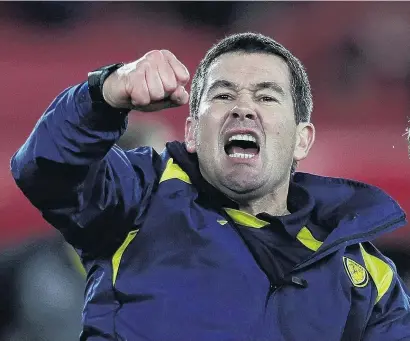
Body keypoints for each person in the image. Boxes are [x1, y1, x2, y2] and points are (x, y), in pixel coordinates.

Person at [10, 32, 409, 341]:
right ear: (192, 133)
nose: (243, 107)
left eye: (267, 97)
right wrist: (104, 93)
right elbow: (43, 168)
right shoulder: (140, 199)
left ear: (302, 139)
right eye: (223, 95)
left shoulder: (368, 277)